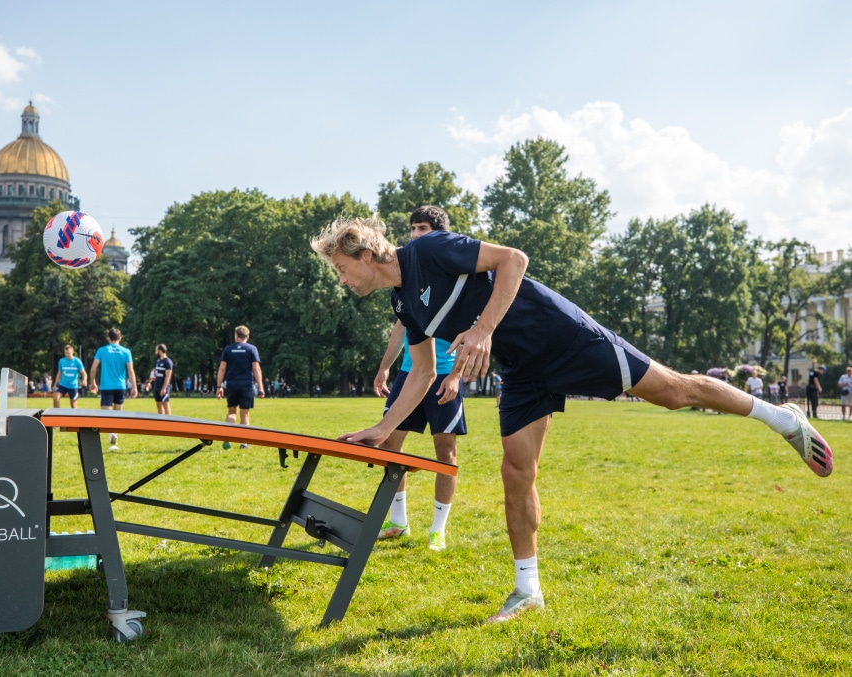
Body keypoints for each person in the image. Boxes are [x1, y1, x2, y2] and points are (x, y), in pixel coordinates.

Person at [310, 209, 834, 624]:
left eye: (340, 268)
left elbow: (514, 259)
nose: (341, 280)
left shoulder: (429, 249)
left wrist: (485, 328)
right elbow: (420, 374)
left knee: (673, 391)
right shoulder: (404, 304)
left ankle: (781, 418)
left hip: (562, 337)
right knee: (515, 470)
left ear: (364, 252)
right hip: (522, 371)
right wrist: (383, 428)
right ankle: (527, 590)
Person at [374, 207, 464, 552]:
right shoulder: (405, 276)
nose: (413, 235)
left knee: (445, 452)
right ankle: (398, 522)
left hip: (443, 376)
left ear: (438, 233)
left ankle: (437, 530)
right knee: (390, 445)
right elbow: (401, 326)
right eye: (411, 228)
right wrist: (384, 367)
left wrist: (456, 375)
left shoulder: (452, 273)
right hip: (410, 375)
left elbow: (471, 326)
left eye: (421, 228)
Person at [216, 325, 265, 449]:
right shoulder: (252, 349)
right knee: (245, 414)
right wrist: (261, 388)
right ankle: (244, 443)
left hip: (232, 385)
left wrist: (219, 386)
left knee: (232, 412)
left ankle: (227, 439)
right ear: (247, 337)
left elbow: (222, 369)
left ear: (236, 336)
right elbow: (256, 368)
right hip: (246, 386)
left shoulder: (228, 349)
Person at [89, 328, 138, 450]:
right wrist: (134, 387)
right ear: (120, 338)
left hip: (106, 386)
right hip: (120, 386)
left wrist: (93, 383)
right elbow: (131, 371)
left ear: (108, 338)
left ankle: (111, 434)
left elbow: (93, 368)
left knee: (106, 414)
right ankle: (115, 435)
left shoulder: (102, 350)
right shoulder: (126, 351)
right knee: (118, 414)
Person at [53, 344, 87, 408]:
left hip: (73, 385)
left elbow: (84, 373)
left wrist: (84, 380)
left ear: (72, 352)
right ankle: (57, 415)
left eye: (68, 353)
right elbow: (59, 373)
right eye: (65, 353)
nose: (67, 355)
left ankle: (75, 417)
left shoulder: (77, 361)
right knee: (55, 398)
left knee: (73, 405)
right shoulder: (61, 361)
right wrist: (55, 385)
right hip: (63, 384)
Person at [148, 344, 174, 415]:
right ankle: (160, 421)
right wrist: (149, 382)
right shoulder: (158, 361)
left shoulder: (168, 362)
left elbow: (168, 376)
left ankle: (168, 422)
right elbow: (153, 373)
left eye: (156, 349)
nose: (155, 351)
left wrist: (164, 388)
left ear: (160, 350)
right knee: (158, 404)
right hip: (157, 386)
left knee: (165, 404)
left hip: (164, 387)